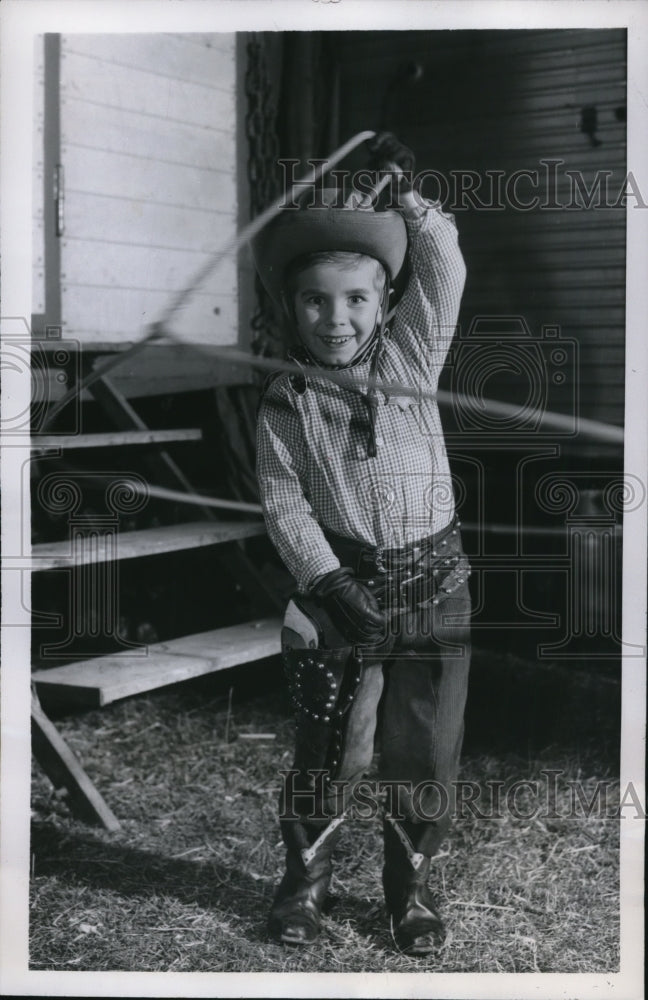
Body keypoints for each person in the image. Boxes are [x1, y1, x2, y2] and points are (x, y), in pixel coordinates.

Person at [253, 133, 472, 955]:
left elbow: (443, 270)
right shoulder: (286, 400)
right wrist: (329, 580)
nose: (334, 318)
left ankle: (407, 896)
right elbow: (282, 500)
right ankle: (304, 887)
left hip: (438, 587)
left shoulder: (414, 359)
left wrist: (413, 201)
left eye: (354, 299)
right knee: (333, 745)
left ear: (384, 304)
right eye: (315, 301)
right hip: (341, 590)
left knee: (423, 749)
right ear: (292, 307)